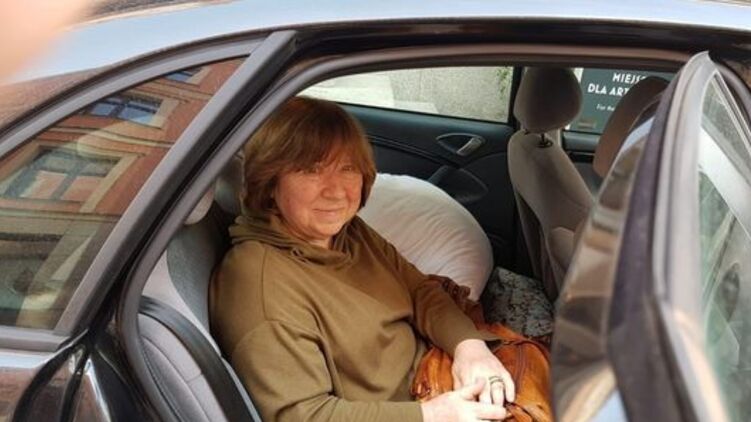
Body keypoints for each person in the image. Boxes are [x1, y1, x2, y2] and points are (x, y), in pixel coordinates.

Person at [210, 96, 516, 422]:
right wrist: (432, 415)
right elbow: (304, 415)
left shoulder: (348, 233)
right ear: (270, 182)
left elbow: (419, 289)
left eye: (347, 168)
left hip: (440, 374)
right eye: (311, 170)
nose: (336, 192)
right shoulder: (257, 285)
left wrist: (469, 348)